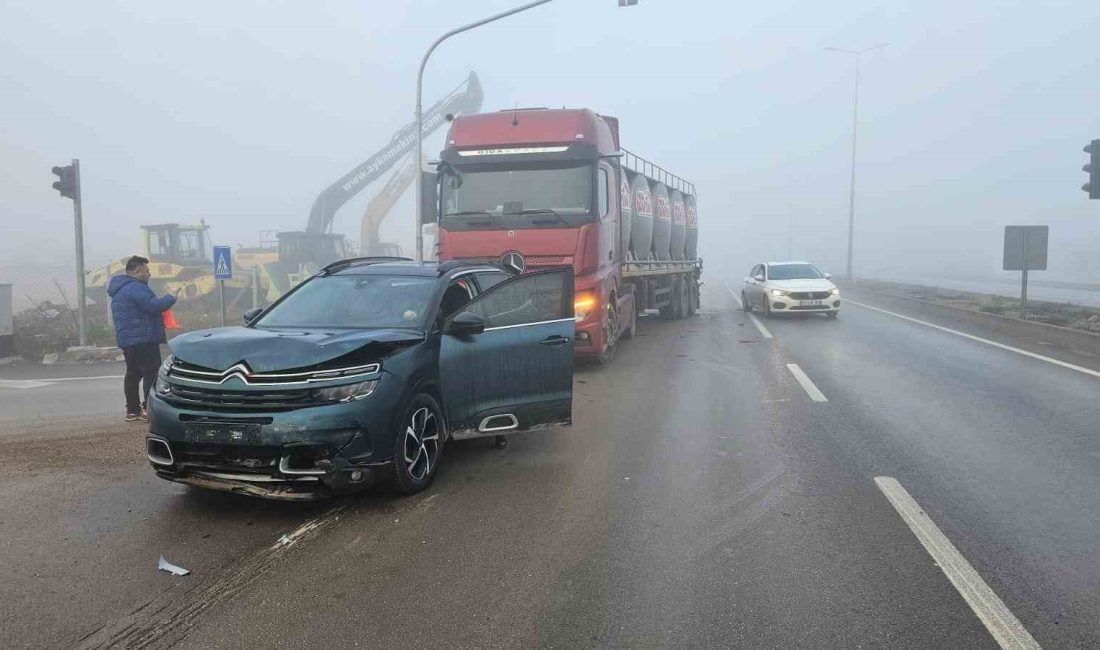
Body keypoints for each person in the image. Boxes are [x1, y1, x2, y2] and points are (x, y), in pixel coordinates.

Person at [107, 256, 178, 421]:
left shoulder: (120, 289)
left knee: (133, 373)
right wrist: (171, 297)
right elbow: (153, 306)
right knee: (151, 372)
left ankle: (132, 410)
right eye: (147, 271)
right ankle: (149, 409)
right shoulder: (137, 287)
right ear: (137, 271)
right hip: (144, 338)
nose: (149, 274)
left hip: (127, 339)